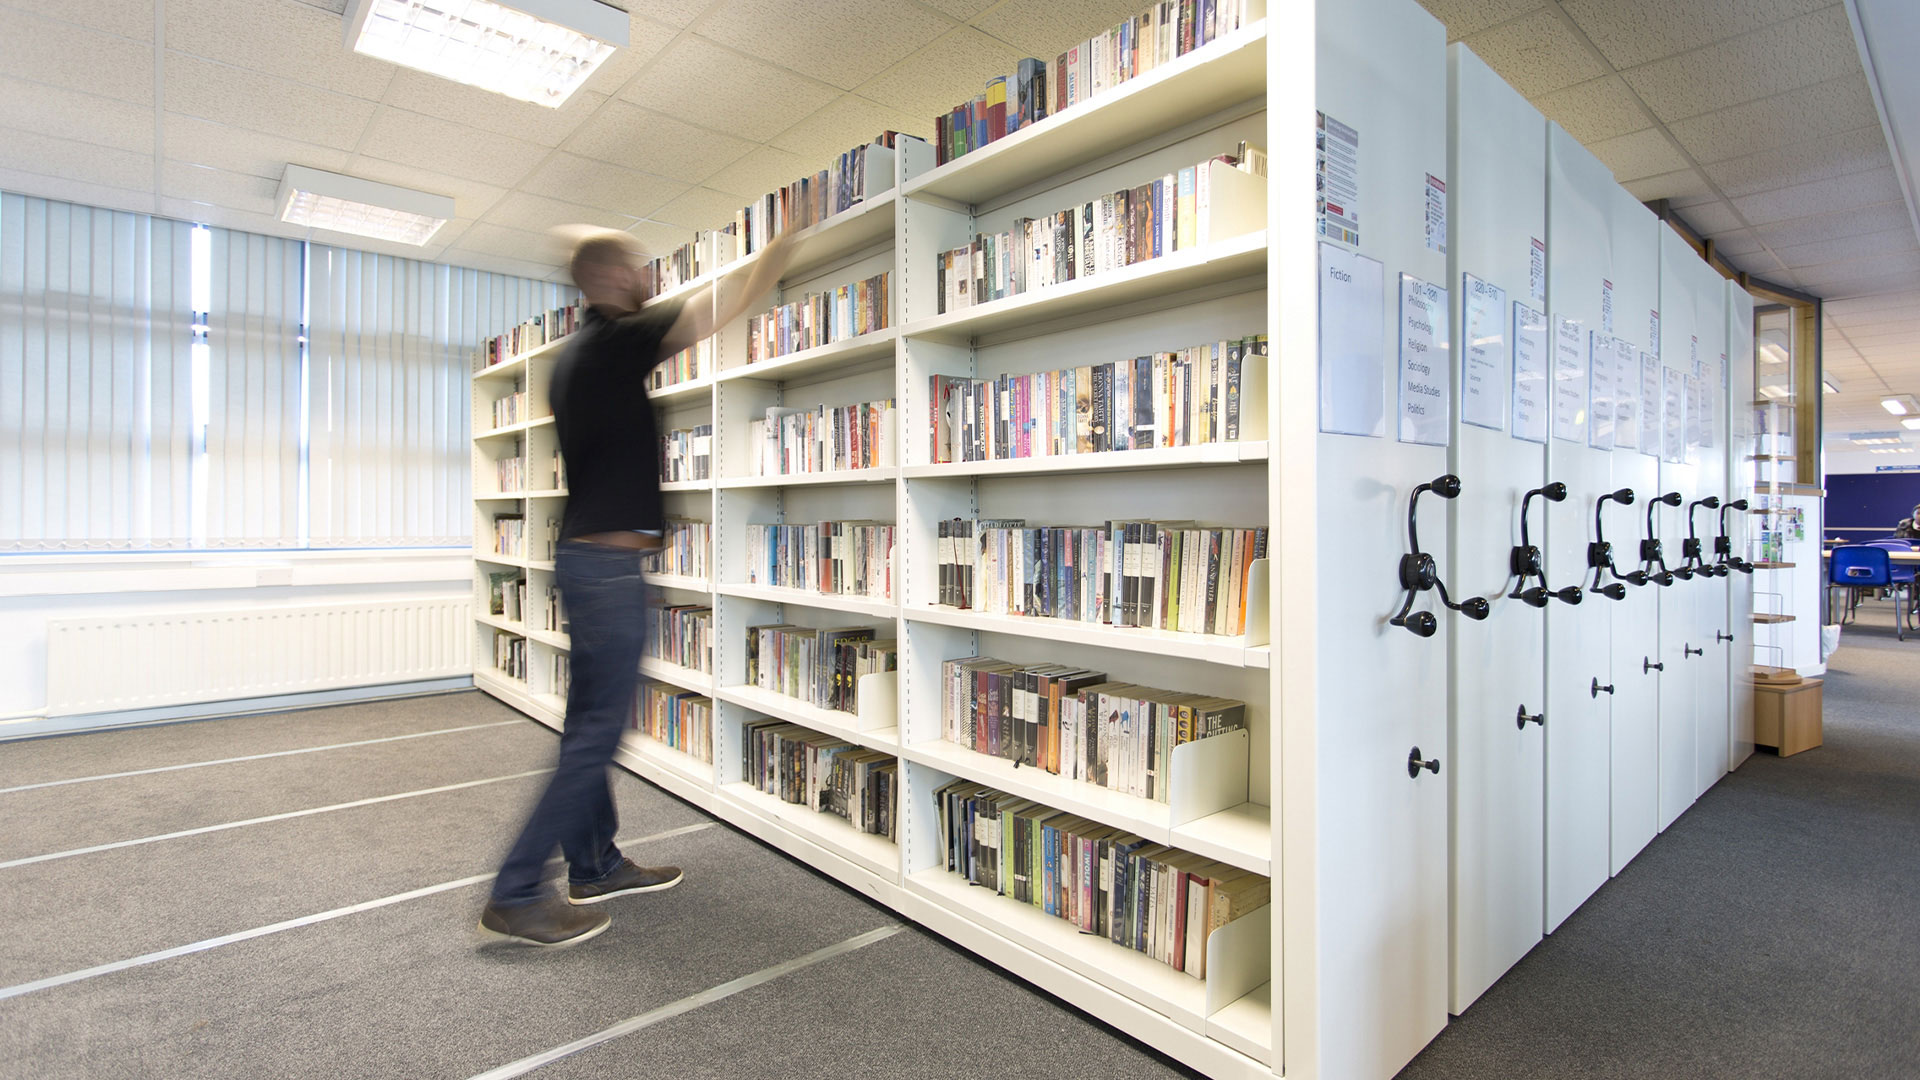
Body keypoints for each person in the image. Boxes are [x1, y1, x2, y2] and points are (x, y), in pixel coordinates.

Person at [479, 228, 795, 947]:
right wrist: (783, 244)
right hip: (607, 572)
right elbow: (726, 306)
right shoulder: (617, 340)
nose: (648, 275)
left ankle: (594, 863)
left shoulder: (572, 361)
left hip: (589, 563)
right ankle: (518, 889)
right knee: (597, 734)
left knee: (586, 726)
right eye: (637, 266)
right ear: (611, 278)